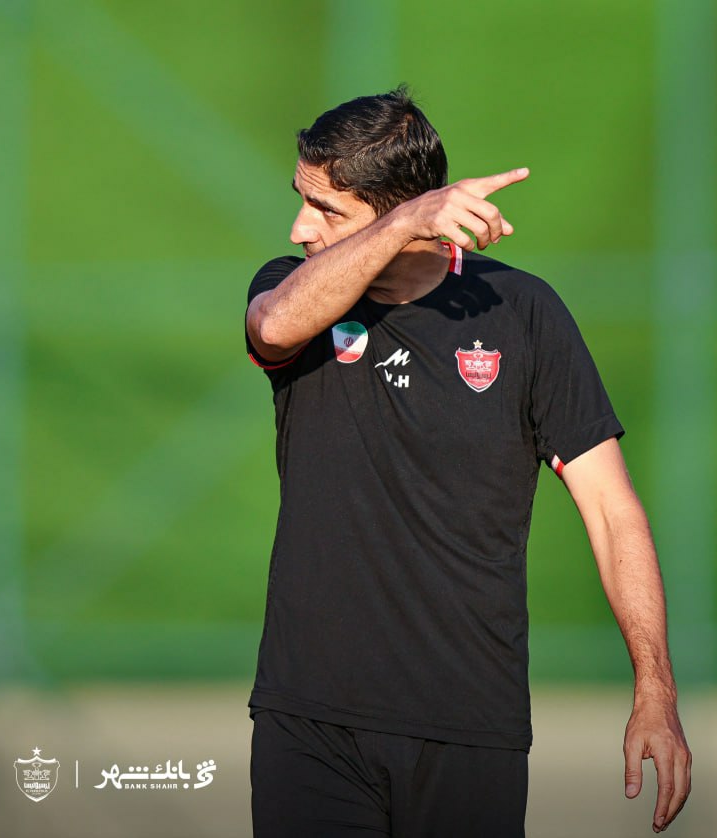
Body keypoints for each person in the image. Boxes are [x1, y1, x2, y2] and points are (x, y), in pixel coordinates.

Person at [244, 88, 691, 837]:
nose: (300, 227)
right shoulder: (292, 287)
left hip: (470, 724)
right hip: (310, 720)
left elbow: (613, 512)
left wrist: (656, 689)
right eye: (302, 198)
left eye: (327, 209)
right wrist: (399, 224)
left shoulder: (524, 313)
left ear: (406, 209)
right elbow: (276, 325)